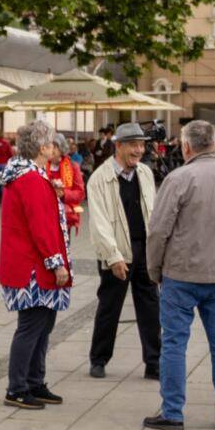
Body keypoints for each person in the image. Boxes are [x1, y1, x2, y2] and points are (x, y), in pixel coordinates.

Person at [142, 120, 215, 430]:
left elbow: (158, 231)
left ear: (186, 147)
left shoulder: (179, 178)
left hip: (181, 274)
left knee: (174, 343)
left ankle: (173, 412)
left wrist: (154, 269)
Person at [0, 121, 72, 409]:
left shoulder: (31, 176)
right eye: (52, 143)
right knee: (32, 326)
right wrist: (56, 263)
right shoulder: (30, 179)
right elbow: (40, 227)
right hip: (32, 267)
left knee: (42, 325)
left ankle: (33, 381)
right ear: (42, 148)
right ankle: (17, 386)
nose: (55, 147)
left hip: (30, 264)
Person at [84, 123, 161, 380]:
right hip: (115, 250)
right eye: (133, 145)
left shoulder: (145, 173)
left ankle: (154, 362)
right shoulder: (100, 178)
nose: (139, 150)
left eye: (141, 145)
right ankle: (99, 359)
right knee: (110, 306)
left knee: (150, 307)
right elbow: (99, 223)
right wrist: (113, 256)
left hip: (144, 249)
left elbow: (154, 211)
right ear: (119, 146)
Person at [43, 142, 87, 235]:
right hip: (44, 216)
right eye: (49, 146)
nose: (50, 149)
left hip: (65, 217)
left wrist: (64, 194)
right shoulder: (42, 166)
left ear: (61, 150)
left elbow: (80, 193)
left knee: (62, 248)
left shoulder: (72, 166)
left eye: (53, 146)